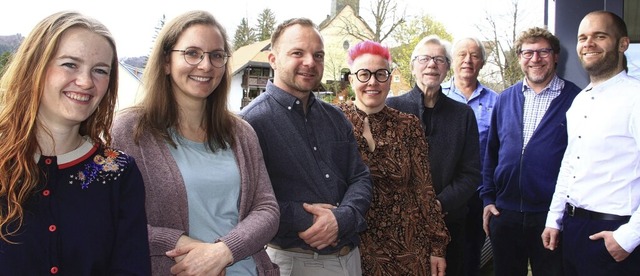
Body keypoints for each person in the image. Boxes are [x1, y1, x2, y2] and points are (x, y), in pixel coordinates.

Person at [111, 10, 280, 276]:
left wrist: (224, 251)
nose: (205, 65)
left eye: (216, 55)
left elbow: (267, 209)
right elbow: (109, 218)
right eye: (192, 53)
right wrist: (176, 241)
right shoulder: (129, 131)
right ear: (166, 61)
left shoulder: (241, 133)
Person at [0, 11, 150, 275]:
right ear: (35, 65)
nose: (85, 82)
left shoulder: (118, 172)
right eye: (70, 64)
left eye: (100, 70)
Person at [239, 18, 372, 276]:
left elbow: (360, 177)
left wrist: (342, 217)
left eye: (318, 55)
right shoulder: (250, 124)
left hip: (351, 260)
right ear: (273, 59)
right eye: (297, 53)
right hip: (294, 262)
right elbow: (244, 202)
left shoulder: (335, 118)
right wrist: (307, 218)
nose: (310, 62)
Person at [337, 40, 450, 276]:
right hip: (352, 249)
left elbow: (424, 189)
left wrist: (437, 246)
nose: (372, 82)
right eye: (364, 74)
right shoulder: (334, 122)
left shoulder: (408, 125)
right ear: (351, 80)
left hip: (408, 250)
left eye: (381, 74)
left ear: (389, 79)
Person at [542, 11, 640, 276]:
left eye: (600, 36)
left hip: (616, 234)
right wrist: (554, 218)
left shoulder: (636, 98)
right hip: (573, 231)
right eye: (582, 37)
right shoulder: (580, 101)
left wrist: (630, 236)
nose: (588, 44)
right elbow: (570, 165)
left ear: (622, 44)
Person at [480, 26, 581, 276]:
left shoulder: (576, 100)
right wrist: (488, 200)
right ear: (520, 58)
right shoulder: (505, 99)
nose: (535, 59)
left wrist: (560, 213)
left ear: (556, 56)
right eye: (528, 53)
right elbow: (491, 154)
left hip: (550, 216)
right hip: (505, 214)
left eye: (543, 52)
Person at [386, 35, 481, 276]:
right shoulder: (391, 108)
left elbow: (470, 174)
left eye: (439, 59)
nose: (431, 64)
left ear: (447, 68)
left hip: (449, 225)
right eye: (425, 58)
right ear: (412, 65)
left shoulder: (463, 115)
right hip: (399, 228)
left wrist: (437, 204)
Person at [441, 36, 499, 276]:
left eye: (474, 55)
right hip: (443, 195)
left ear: (482, 63)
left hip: (477, 197)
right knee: (440, 258)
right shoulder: (437, 96)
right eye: (462, 55)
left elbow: (499, 150)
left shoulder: (496, 101)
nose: (468, 60)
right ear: (452, 61)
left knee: (471, 258)